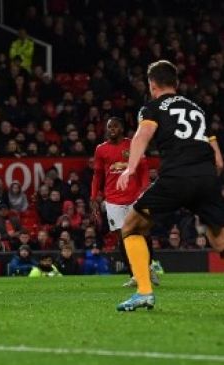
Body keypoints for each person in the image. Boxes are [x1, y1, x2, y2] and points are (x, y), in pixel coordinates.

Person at [115, 60, 224, 311]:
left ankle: (144, 292)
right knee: (219, 243)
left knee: (131, 228)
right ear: (176, 83)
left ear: (152, 84)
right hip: (206, 176)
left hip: (176, 177)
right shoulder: (197, 108)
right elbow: (218, 160)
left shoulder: (152, 107)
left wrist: (131, 168)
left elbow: (143, 135)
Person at [90, 117, 159, 287]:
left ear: (122, 128)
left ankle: (148, 267)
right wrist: (93, 197)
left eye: (115, 126)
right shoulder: (101, 149)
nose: (111, 129)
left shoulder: (133, 144)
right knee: (123, 238)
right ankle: (134, 274)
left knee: (143, 233)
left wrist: (144, 189)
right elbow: (98, 175)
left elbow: (143, 168)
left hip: (134, 196)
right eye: (109, 127)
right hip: (113, 199)